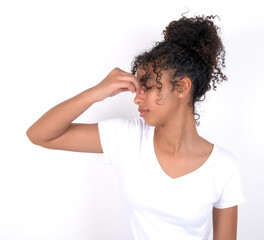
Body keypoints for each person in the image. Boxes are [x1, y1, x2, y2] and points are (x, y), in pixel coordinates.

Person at [26, 15, 245, 240]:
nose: (137, 99)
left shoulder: (223, 167)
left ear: (181, 87)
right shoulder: (128, 137)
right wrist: (95, 93)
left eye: (147, 87)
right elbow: (39, 135)